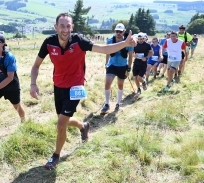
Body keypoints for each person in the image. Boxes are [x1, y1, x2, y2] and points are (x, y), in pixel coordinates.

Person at [30, 13, 137, 170]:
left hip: (75, 87)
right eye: (62, 26)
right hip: (58, 86)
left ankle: (55, 156)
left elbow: (103, 48)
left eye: (68, 26)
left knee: (60, 124)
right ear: (56, 27)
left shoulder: (79, 41)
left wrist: (124, 43)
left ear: (72, 27)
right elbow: (35, 66)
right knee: (63, 120)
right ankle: (83, 126)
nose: (65, 30)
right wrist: (33, 84)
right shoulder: (49, 43)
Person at [100, 24, 134, 114]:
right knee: (107, 84)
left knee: (120, 85)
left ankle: (118, 104)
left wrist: (129, 69)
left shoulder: (128, 41)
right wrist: (106, 63)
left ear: (124, 31)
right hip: (112, 65)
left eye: (120, 31)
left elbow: (130, 56)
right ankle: (107, 104)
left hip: (123, 66)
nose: (118, 33)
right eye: (117, 31)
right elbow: (107, 52)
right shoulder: (110, 40)